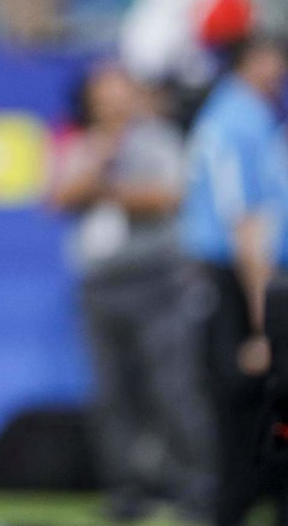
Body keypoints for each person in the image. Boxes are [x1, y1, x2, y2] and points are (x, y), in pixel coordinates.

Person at [53, 64, 213, 522]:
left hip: (156, 284)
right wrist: (98, 163)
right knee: (112, 397)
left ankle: (196, 489)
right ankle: (128, 490)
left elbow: (168, 197)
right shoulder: (82, 141)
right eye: (102, 92)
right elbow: (60, 196)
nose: (111, 100)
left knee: (173, 390)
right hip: (99, 289)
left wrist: (104, 190)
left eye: (118, 91)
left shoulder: (156, 137)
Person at [182, 37, 288, 526]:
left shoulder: (259, 118)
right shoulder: (233, 120)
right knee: (244, 393)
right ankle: (235, 503)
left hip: (256, 276)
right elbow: (245, 224)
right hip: (239, 279)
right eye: (271, 59)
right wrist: (264, 319)